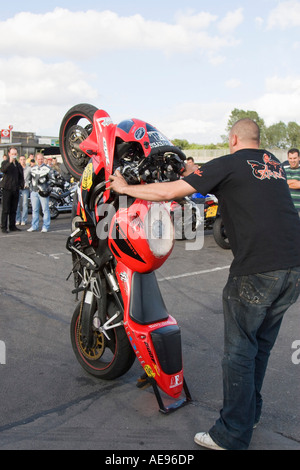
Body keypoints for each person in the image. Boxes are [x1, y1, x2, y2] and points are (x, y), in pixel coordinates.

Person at [109, 118, 300, 450]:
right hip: (293, 269)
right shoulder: (273, 164)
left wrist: (125, 188)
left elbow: (171, 191)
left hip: (257, 271)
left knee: (239, 353)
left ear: (233, 138)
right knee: (260, 347)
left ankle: (232, 434)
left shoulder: (228, 163)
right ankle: (249, 413)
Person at [0, 147, 24, 233]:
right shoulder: (5, 163)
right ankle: (3, 227)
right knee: (6, 209)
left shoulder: (18, 164)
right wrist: (10, 162)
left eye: (15, 154)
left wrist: (21, 185)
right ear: (9, 154)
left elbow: (21, 175)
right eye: (12, 154)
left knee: (13, 209)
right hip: (7, 188)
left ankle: (12, 226)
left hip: (15, 189)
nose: (14, 155)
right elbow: (3, 170)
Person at [27, 153, 53, 233]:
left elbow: (52, 180)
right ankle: (34, 226)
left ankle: (45, 226)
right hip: (34, 192)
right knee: (34, 210)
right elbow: (29, 180)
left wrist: (47, 189)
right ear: (36, 159)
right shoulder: (32, 169)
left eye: (41, 159)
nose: (40, 160)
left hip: (43, 192)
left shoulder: (48, 169)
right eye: (38, 159)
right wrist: (31, 188)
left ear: (43, 159)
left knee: (45, 210)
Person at [284, 148, 300, 215]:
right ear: (288, 158)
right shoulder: (283, 170)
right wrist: (295, 182)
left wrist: (285, 182)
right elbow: (279, 184)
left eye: (295, 158)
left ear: (299, 158)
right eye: (290, 158)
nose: (292, 160)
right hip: (287, 210)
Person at [16, 155, 31, 226]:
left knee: (25, 204)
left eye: (24, 159)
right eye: (21, 159)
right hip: (18, 187)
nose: (22, 161)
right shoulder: (17, 167)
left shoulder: (28, 168)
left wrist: (28, 183)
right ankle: (17, 219)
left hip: (25, 187)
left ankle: (24, 219)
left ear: (25, 160)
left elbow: (31, 178)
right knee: (17, 204)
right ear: (19, 160)